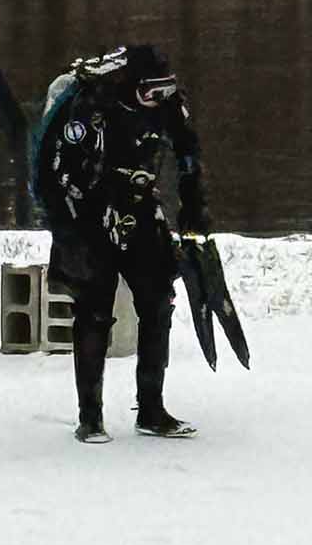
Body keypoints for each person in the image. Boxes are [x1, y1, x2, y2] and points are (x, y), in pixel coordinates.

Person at [31, 44, 211, 444]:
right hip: (88, 214)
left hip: (140, 209)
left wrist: (194, 210)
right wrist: (72, 230)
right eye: (151, 94)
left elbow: (188, 154)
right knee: (94, 313)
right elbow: (55, 176)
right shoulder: (91, 109)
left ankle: (151, 410)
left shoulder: (165, 104)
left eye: (164, 93)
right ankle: (90, 417)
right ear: (131, 87)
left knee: (158, 304)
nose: (158, 102)